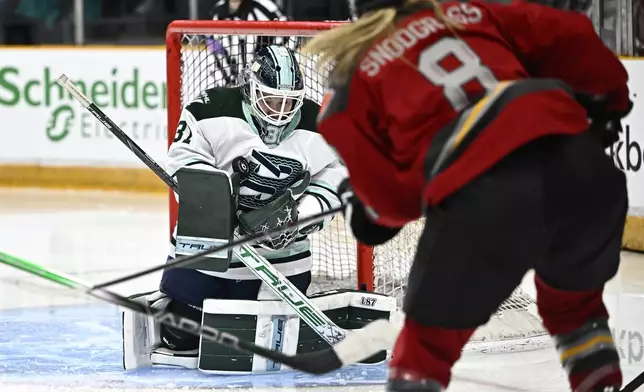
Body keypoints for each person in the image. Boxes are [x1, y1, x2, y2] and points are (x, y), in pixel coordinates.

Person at [304, 0, 631, 391]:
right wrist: (609, 103)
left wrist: (362, 209)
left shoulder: (350, 81)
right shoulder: (468, 12)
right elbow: (573, 33)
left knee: (426, 347)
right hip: (581, 166)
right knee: (577, 312)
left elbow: (394, 205)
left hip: (486, 193)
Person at [121, 44, 347, 371]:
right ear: (251, 89)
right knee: (179, 335)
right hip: (209, 250)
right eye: (272, 99)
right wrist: (219, 208)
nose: (280, 111)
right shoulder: (208, 109)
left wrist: (300, 218)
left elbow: (339, 177)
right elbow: (183, 163)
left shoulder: (321, 124)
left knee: (260, 342)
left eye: (289, 102)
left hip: (280, 261)